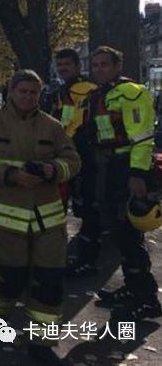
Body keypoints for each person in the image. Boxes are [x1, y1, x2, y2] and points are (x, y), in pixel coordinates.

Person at [0, 70, 80, 365]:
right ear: (12, 90)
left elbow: (73, 160)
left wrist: (52, 170)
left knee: (49, 281)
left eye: (34, 92)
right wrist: (10, 175)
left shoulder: (53, 127)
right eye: (23, 91)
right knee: (11, 279)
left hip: (48, 218)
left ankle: (41, 342)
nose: (29, 97)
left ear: (40, 94)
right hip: (7, 219)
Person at [86, 46, 162, 321]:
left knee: (128, 233)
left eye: (105, 64)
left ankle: (146, 299)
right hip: (106, 166)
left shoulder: (132, 93)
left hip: (124, 167)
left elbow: (142, 137)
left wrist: (137, 174)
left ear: (118, 66)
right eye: (95, 65)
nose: (99, 69)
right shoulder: (101, 94)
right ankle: (133, 288)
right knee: (118, 232)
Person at [46, 48, 99, 277]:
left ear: (78, 66)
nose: (63, 68)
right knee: (67, 206)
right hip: (68, 154)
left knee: (88, 210)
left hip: (81, 156)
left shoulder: (85, 89)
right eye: (60, 65)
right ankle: (64, 256)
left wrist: (63, 145)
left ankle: (87, 262)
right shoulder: (65, 89)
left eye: (67, 64)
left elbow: (77, 124)